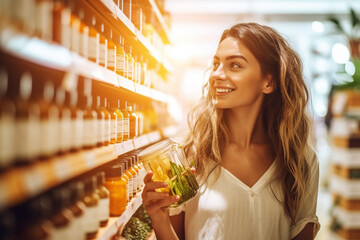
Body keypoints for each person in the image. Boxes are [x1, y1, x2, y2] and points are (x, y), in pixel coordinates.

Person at [142, 22, 320, 240]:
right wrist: (158, 219)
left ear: (268, 82)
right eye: (216, 63)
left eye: (234, 65)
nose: (216, 74)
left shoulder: (300, 161)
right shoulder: (188, 155)